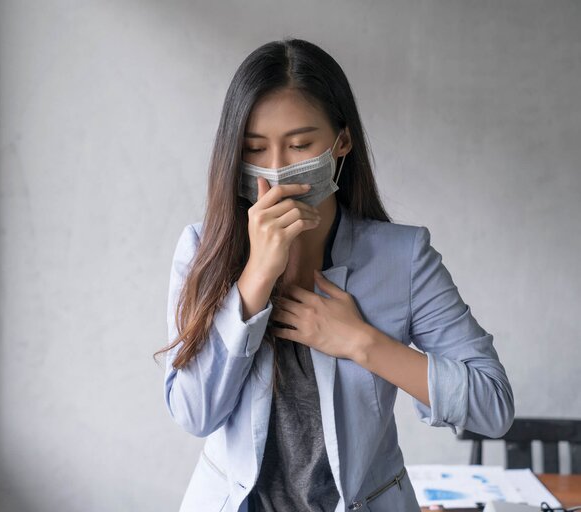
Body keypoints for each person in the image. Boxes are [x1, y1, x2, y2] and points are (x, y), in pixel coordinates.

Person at [154, 38, 515, 512]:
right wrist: (256, 278)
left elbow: (493, 407)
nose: (278, 170)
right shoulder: (204, 249)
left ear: (341, 141)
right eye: (255, 148)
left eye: (300, 144)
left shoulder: (403, 257)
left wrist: (360, 342)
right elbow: (194, 413)